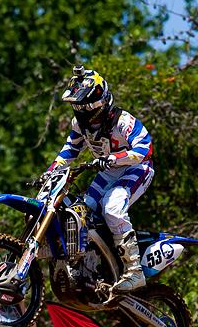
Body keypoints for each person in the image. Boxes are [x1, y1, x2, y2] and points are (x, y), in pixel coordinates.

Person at [49, 65, 154, 294]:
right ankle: (91, 265)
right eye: (78, 107)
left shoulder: (123, 121)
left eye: (85, 106)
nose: (82, 112)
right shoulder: (79, 124)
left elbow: (145, 148)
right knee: (83, 212)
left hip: (136, 168)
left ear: (99, 103)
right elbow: (70, 150)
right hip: (108, 170)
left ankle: (134, 270)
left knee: (112, 208)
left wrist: (114, 158)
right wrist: (52, 171)